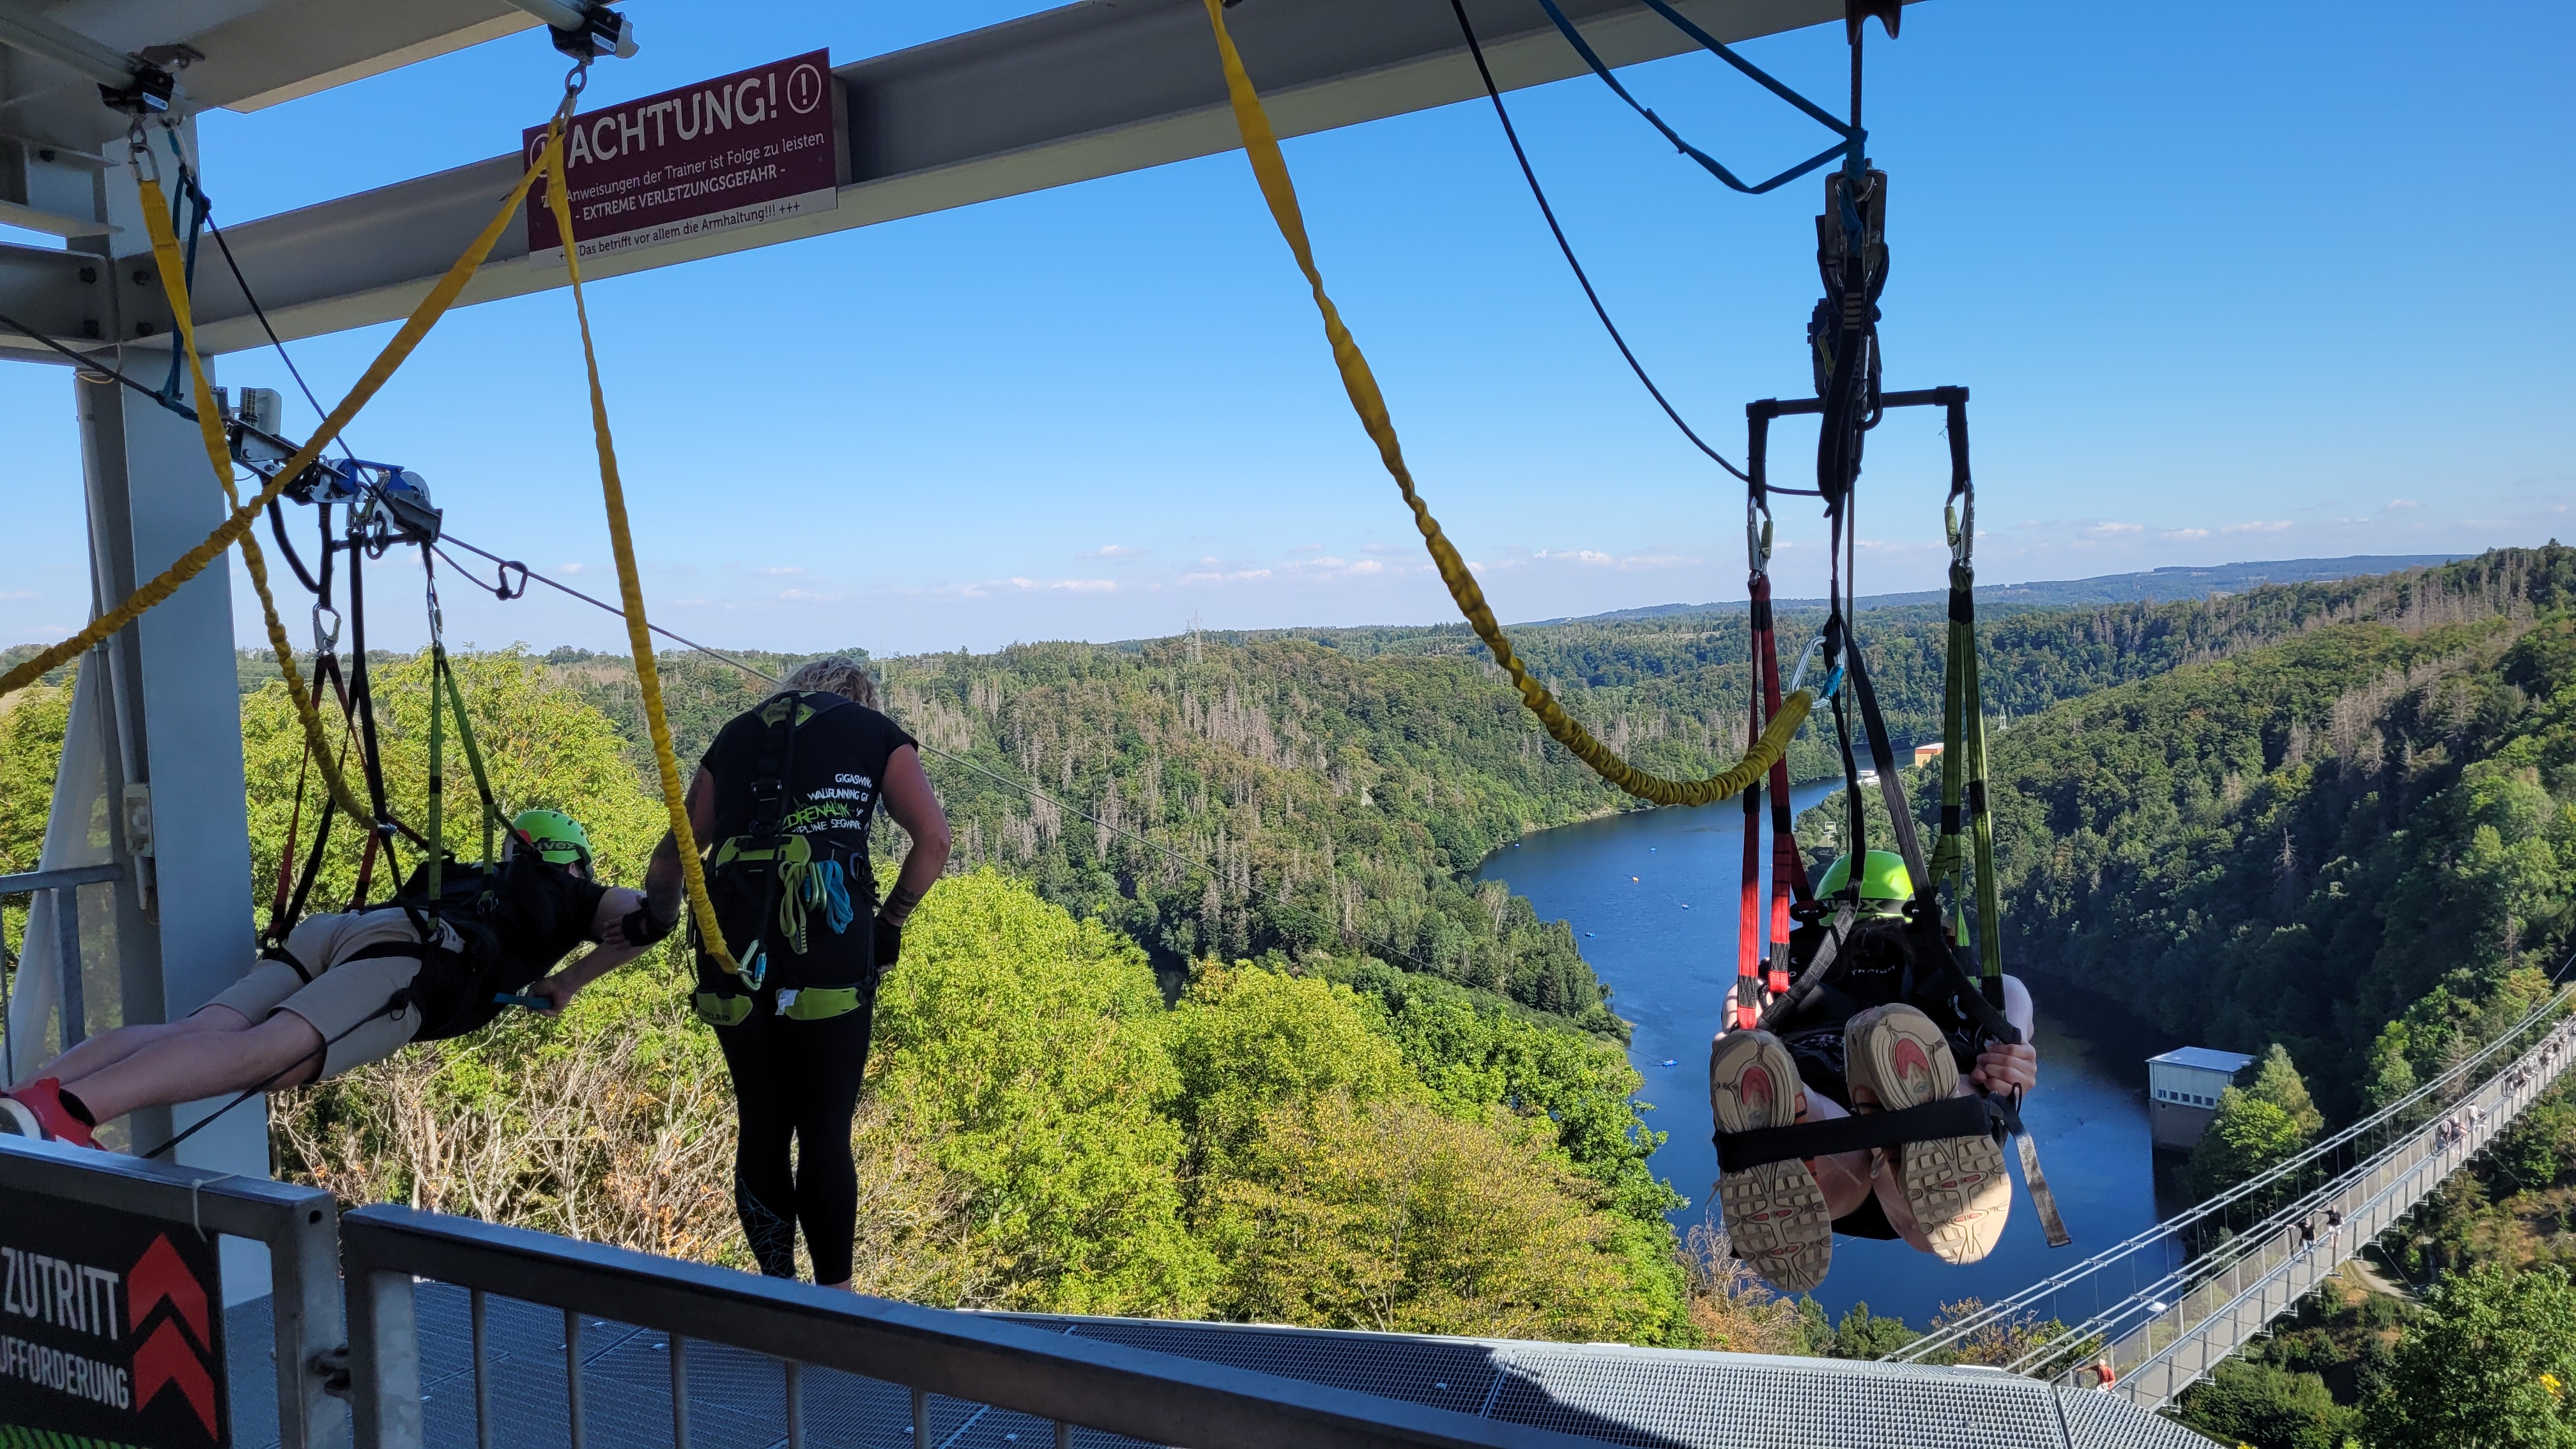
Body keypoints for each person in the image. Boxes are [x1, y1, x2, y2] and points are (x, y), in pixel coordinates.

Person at [551, 657, 949, 1291]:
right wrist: (890, 923)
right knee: (824, 1132)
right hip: (828, 941)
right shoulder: (874, 731)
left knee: (763, 1124)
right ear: (860, 696)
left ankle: (776, 1288)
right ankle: (835, 1299)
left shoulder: (736, 735)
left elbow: (670, 862)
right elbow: (934, 841)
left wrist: (655, 921)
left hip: (731, 946)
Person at [1, 810, 647, 1149]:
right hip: (409, 960)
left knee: (196, 1032)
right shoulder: (574, 893)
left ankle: (33, 1098)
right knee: (264, 1059)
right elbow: (647, 919)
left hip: (343, 931)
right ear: (574, 862)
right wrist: (570, 981)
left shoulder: (481, 879)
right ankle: (68, 1116)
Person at [1708, 848, 2040, 1291]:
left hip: (1828, 1157)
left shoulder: (1785, 979)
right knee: (1957, 1086)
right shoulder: (1961, 985)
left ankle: (1790, 1123)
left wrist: (1739, 1046)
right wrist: (2010, 1062)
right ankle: (1925, 1121)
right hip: (1931, 1141)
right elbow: (2012, 1010)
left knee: (1808, 1106)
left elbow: (1739, 1010)